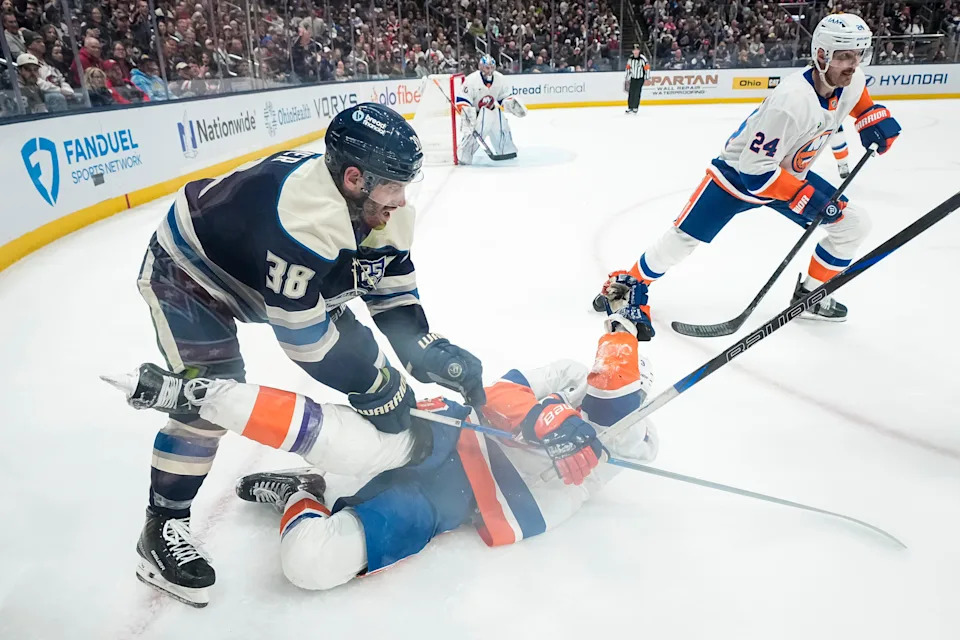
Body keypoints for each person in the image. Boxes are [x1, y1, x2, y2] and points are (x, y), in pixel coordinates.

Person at [125, 103, 484, 607]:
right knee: (209, 398)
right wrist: (373, 384)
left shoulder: (372, 205)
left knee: (364, 361)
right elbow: (304, 339)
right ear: (355, 178)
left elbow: (389, 288)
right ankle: (161, 528)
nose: (402, 201)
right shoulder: (302, 220)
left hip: (258, 269)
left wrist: (426, 351)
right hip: (189, 275)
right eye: (394, 187)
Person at [104, 310, 657, 596]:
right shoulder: (567, 375)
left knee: (311, 565)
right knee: (355, 444)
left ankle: (300, 491)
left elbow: (609, 433)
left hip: (451, 505)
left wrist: (584, 447)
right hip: (450, 434)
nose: (603, 388)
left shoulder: (637, 442)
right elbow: (498, 393)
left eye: (622, 390)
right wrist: (544, 417)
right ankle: (191, 392)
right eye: (607, 379)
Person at [595, 13, 902, 334]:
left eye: (858, 55)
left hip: (787, 176)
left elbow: (858, 97)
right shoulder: (791, 100)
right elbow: (755, 170)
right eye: (844, 56)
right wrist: (802, 197)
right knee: (682, 240)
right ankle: (627, 287)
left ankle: (812, 294)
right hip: (737, 177)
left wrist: (869, 115)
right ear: (821, 55)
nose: (853, 65)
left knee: (853, 225)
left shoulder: (853, 78)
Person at [456, 55, 527, 164]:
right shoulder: (471, 80)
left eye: (491, 67)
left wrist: (510, 104)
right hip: (475, 115)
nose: (489, 71)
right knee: (485, 117)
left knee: (498, 116)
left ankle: (505, 150)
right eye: (486, 68)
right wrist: (467, 116)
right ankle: (464, 153)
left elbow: (503, 97)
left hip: (490, 110)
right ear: (480, 67)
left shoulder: (500, 79)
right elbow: (462, 100)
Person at [624, 43, 649, 114]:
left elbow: (647, 68)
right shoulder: (630, 59)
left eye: (637, 50)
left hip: (640, 78)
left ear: (639, 50)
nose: (635, 51)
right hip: (633, 78)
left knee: (637, 92)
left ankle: (635, 107)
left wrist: (647, 78)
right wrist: (627, 77)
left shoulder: (642, 59)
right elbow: (628, 68)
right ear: (632, 51)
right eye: (634, 50)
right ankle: (630, 107)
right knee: (631, 92)